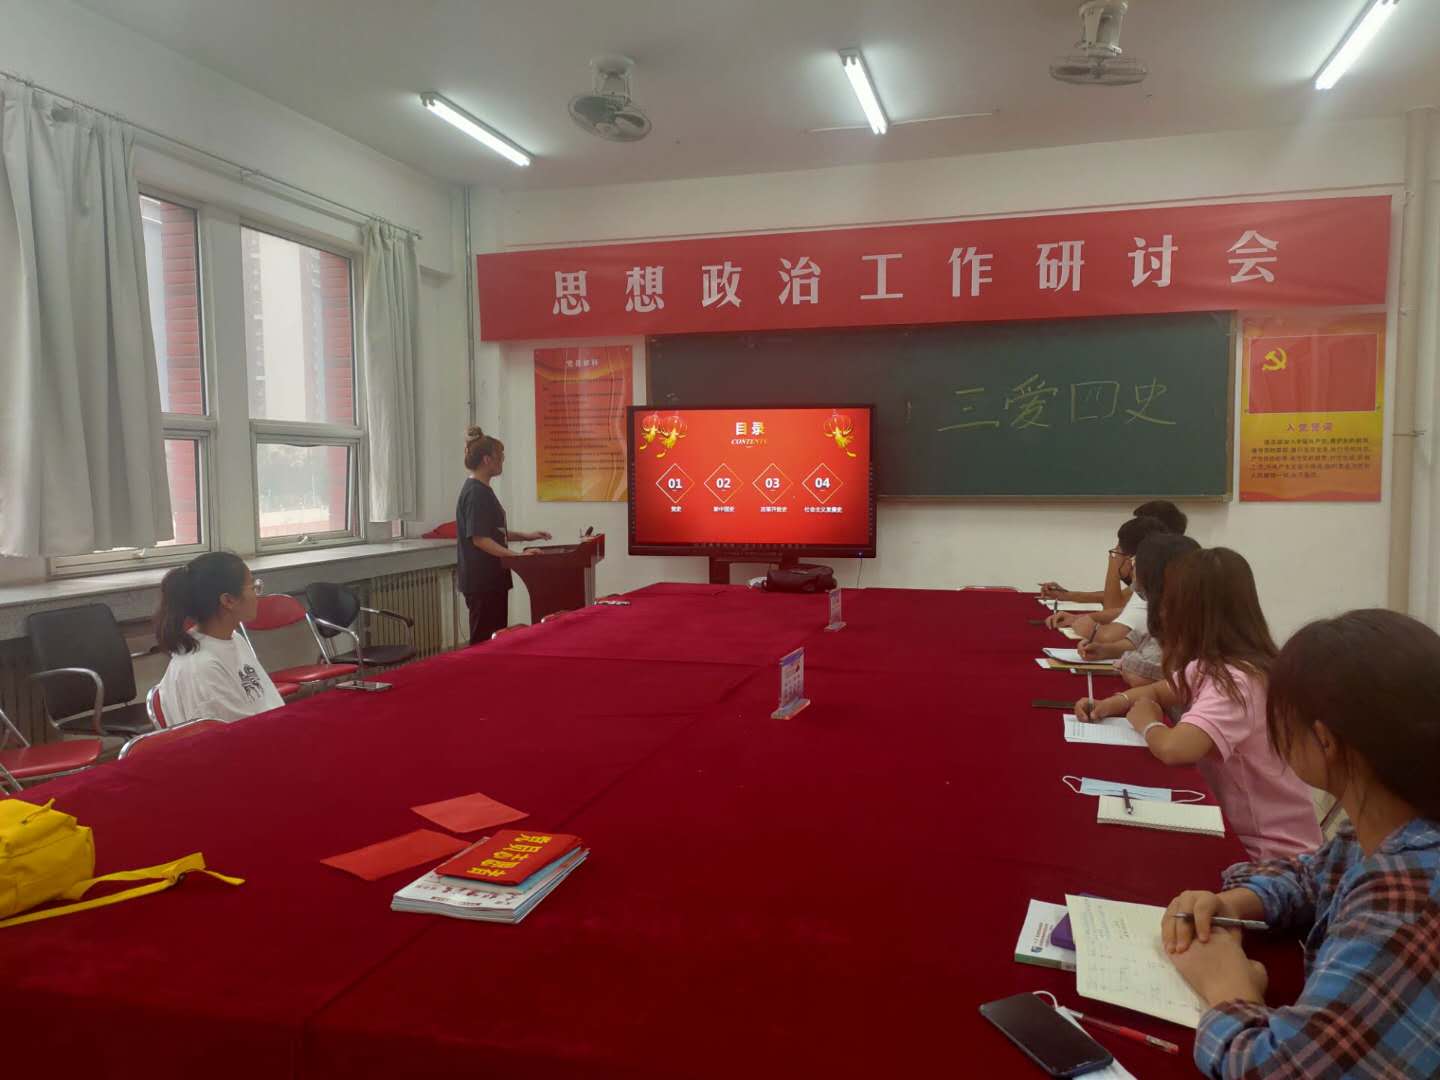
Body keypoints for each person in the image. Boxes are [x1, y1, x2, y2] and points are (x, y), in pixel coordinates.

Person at [1160, 609, 1440, 1079]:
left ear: (1324, 741)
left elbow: (1273, 1069)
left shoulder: (1405, 907)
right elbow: (1315, 875)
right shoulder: (1398, 820)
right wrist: (1234, 902)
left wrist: (1228, 985)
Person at [1074, 547, 1322, 861]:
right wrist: (1112, 703)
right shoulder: (1221, 663)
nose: (1162, 613)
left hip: (1267, 855)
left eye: (1169, 603)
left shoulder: (1237, 681)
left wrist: (1148, 723)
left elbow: (1174, 749)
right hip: (1240, 829)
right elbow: (1164, 690)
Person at [154, 552, 285, 723]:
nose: (257, 594)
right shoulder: (202, 666)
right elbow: (234, 733)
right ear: (228, 600)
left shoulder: (234, 639)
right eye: (253, 587)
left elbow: (269, 704)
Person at [457, 427, 551, 645]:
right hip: (482, 582)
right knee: (484, 642)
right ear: (487, 460)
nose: (503, 462)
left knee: (496, 639)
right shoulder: (475, 493)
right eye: (500, 457)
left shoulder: (483, 490)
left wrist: (527, 536)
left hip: (493, 579)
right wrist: (517, 556)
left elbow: (493, 532)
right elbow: (480, 539)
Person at [1038, 500, 1188, 603]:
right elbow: (1121, 597)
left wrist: (1115, 559)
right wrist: (1067, 595)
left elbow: (1115, 606)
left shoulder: (1172, 567)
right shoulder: (1164, 558)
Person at [1046, 515, 1171, 638]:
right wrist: (1076, 612)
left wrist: (1114, 562)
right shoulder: (1153, 577)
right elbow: (1131, 608)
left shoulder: (1165, 579)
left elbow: (1115, 611)